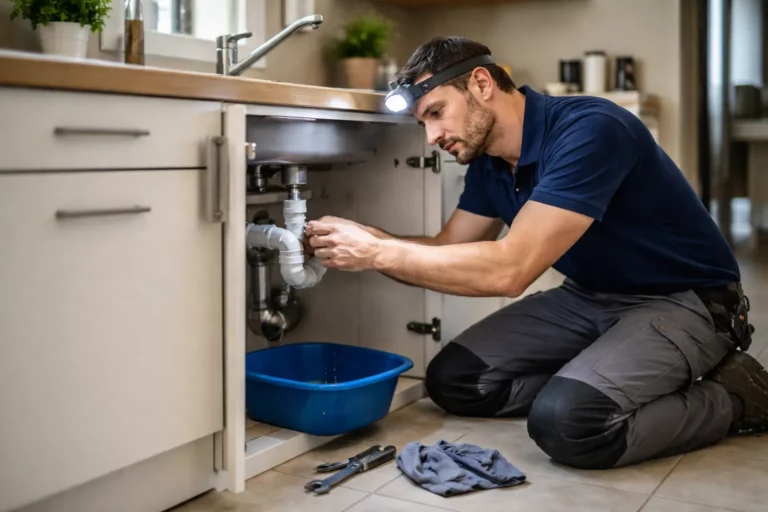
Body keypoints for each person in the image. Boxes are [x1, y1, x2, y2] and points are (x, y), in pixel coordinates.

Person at [304, 36, 768, 469]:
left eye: (436, 112)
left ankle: (736, 397)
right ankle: (603, 377)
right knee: (454, 380)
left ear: (482, 84)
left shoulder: (591, 129)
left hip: (687, 301)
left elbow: (511, 270)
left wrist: (376, 254)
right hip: (590, 296)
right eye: (424, 122)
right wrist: (371, 237)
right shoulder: (488, 165)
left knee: (569, 424)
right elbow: (447, 250)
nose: (432, 137)